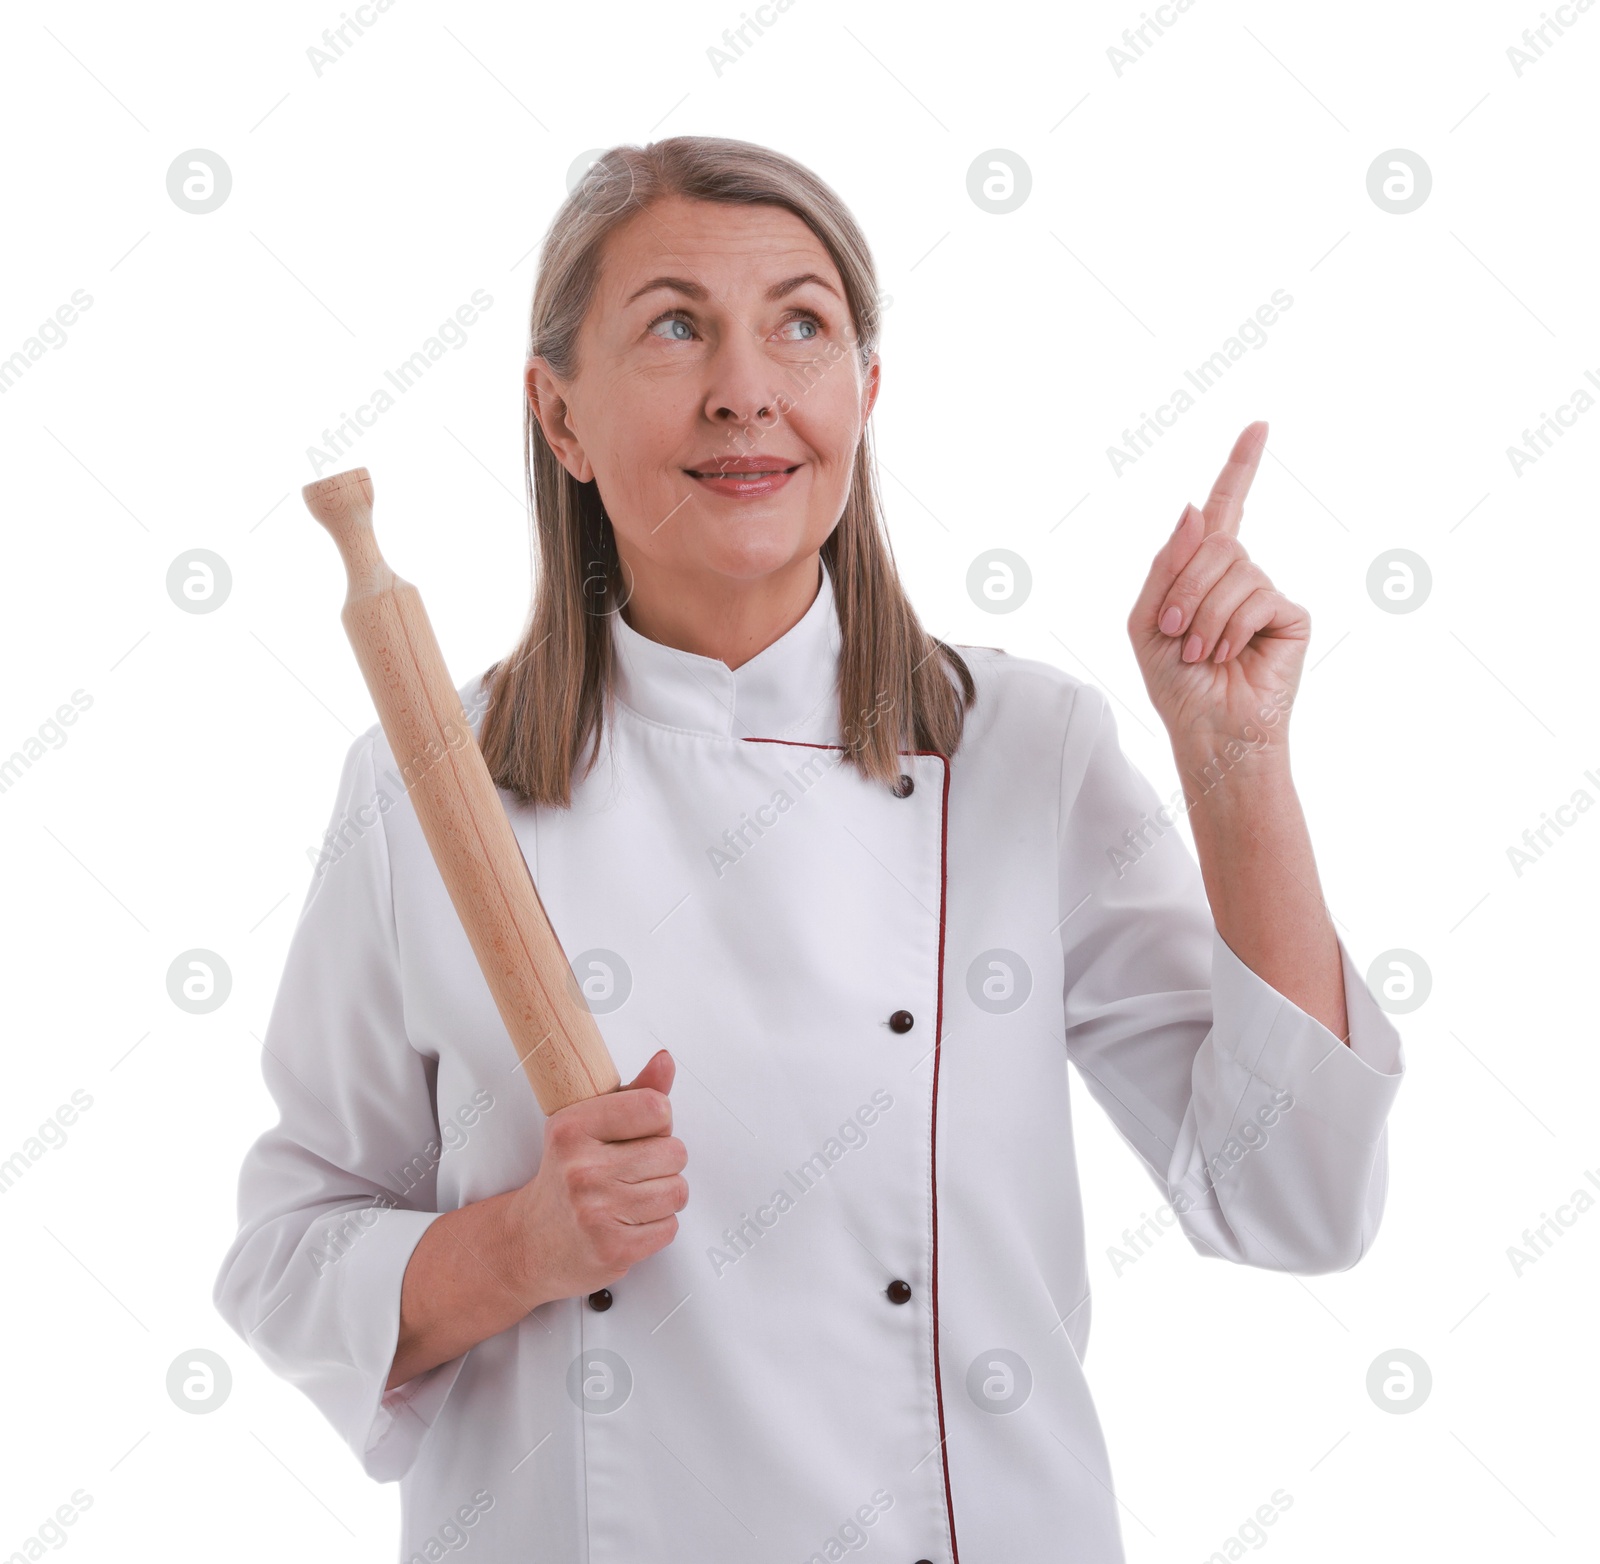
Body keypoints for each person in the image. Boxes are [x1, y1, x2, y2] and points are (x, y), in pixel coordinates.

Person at [214, 135, 1405, 1563]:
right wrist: (523, 1245)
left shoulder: (1022, 748)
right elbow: (286, 1259)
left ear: (865, 393)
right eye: (674, 325)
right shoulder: (426, 787)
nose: (746, 389)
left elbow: (1296, 1202)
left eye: (802, 324)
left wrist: (1236, 765)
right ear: (561, 416)